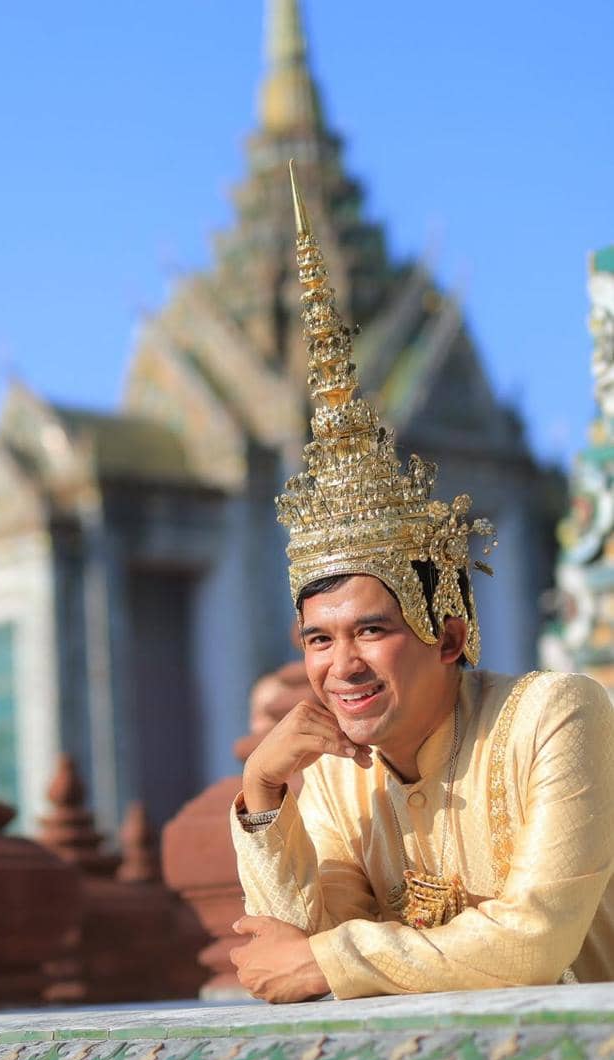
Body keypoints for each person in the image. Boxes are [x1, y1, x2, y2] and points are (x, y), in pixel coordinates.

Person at [229, 164, 614, 1002]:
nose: (342, 665)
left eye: (373, 629)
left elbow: (536, 939)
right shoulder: (335, 777)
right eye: (319, 640)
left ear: (450, 635)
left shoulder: (554, 715)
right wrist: (262, 796)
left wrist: (329, 962)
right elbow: (289, 952)